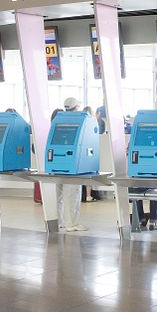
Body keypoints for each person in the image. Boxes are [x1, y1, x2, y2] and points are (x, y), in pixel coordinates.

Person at [56, 97, 87, 231]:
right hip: (73, 163)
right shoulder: (79, 121)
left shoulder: (58, 120)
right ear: (76, 108)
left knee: (59, 196)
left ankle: (59, 221)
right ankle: (72, 224)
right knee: (72, 194)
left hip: (56, 162)